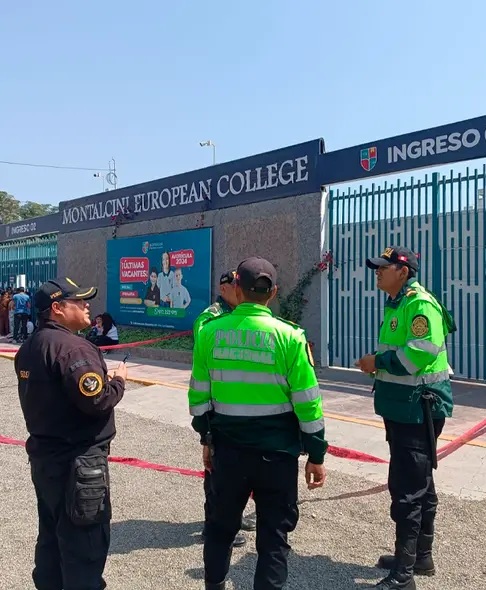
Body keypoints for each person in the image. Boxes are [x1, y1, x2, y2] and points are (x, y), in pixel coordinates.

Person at [188, 256, 328, 590]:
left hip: (229, 452)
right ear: (274, 292)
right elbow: (308, 403)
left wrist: (206, 439)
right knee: (274, 534)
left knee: (221, 528)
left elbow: (198, 398)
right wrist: (317, 454)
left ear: (237, 288)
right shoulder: (291, 337)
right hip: (277, 456)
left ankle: (215, 584)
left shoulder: (209, 333)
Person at [15, 278, 127, 589]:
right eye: (79, 301)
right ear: (57, 308)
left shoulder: (29, 347)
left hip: (45, 461)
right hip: (79, 464)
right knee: (84, 551)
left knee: (51, 543)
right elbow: (97, 399)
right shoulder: (74, 348)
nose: (87, 305)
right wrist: (118, 381)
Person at [355, 246, 456, 590]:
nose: (377, 272)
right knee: (419, 483)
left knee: (407, 490)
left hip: (418, 408)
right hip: (402, 407)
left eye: (383, 267)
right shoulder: (397, 303)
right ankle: (419, 557)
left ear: (403, 271)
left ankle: (403, 575)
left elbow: (418, 355)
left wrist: (376, 363)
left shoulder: (419, 304)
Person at [192, 270, 253, 548]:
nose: (241, 290)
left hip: (242, 404)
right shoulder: (209, 318)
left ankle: (233, 516)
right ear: (225, 287)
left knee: (241, 469)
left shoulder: (244, 314)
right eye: (236, 285)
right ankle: (212, 523)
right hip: (217, 407)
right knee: (216, 469)